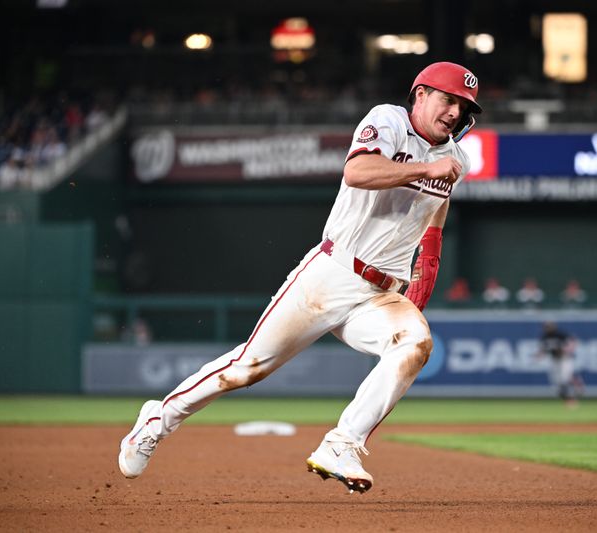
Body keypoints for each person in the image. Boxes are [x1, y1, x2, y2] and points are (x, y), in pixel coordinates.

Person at [118, 61, 482, 494]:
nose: (455, 112)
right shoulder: (389, 120)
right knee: (246, 368)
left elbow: (435, 217)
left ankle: (342, 443)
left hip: (383, 293)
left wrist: (429, 264)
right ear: (420, 95)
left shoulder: (454, 157)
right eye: (448, 99)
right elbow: (358, 172)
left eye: (463, 105)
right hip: (332, 274)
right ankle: (157, 421)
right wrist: (424, 170)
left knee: (416, 344)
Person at [536, 321, 582, 407]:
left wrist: (566, 350)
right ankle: (568, 397)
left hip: (565, 359)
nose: (546, 328)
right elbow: (543, 349)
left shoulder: (560, 334)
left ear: (553, 326)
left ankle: (573, 392)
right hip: (554, 360)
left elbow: (573, 342)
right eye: (545, 326)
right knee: (556, 382)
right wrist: (539, 355)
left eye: (548, 326)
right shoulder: (544, 337)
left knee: (563, 379)